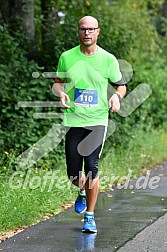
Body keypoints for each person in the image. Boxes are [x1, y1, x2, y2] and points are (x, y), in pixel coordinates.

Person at [53, 16, 126, 233]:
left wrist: (116, 97)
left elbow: (120, 86)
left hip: (97, 121)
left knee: (92, 167)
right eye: (83, 29)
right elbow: (57, 84)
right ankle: (82, 191)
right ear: (78, 31)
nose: (87, 33)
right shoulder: (67, 57)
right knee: (73, 174)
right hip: (74, 120)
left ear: (98, 32)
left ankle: (90, 217)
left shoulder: (108, 59)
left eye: (91, 29)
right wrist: (61, 94)